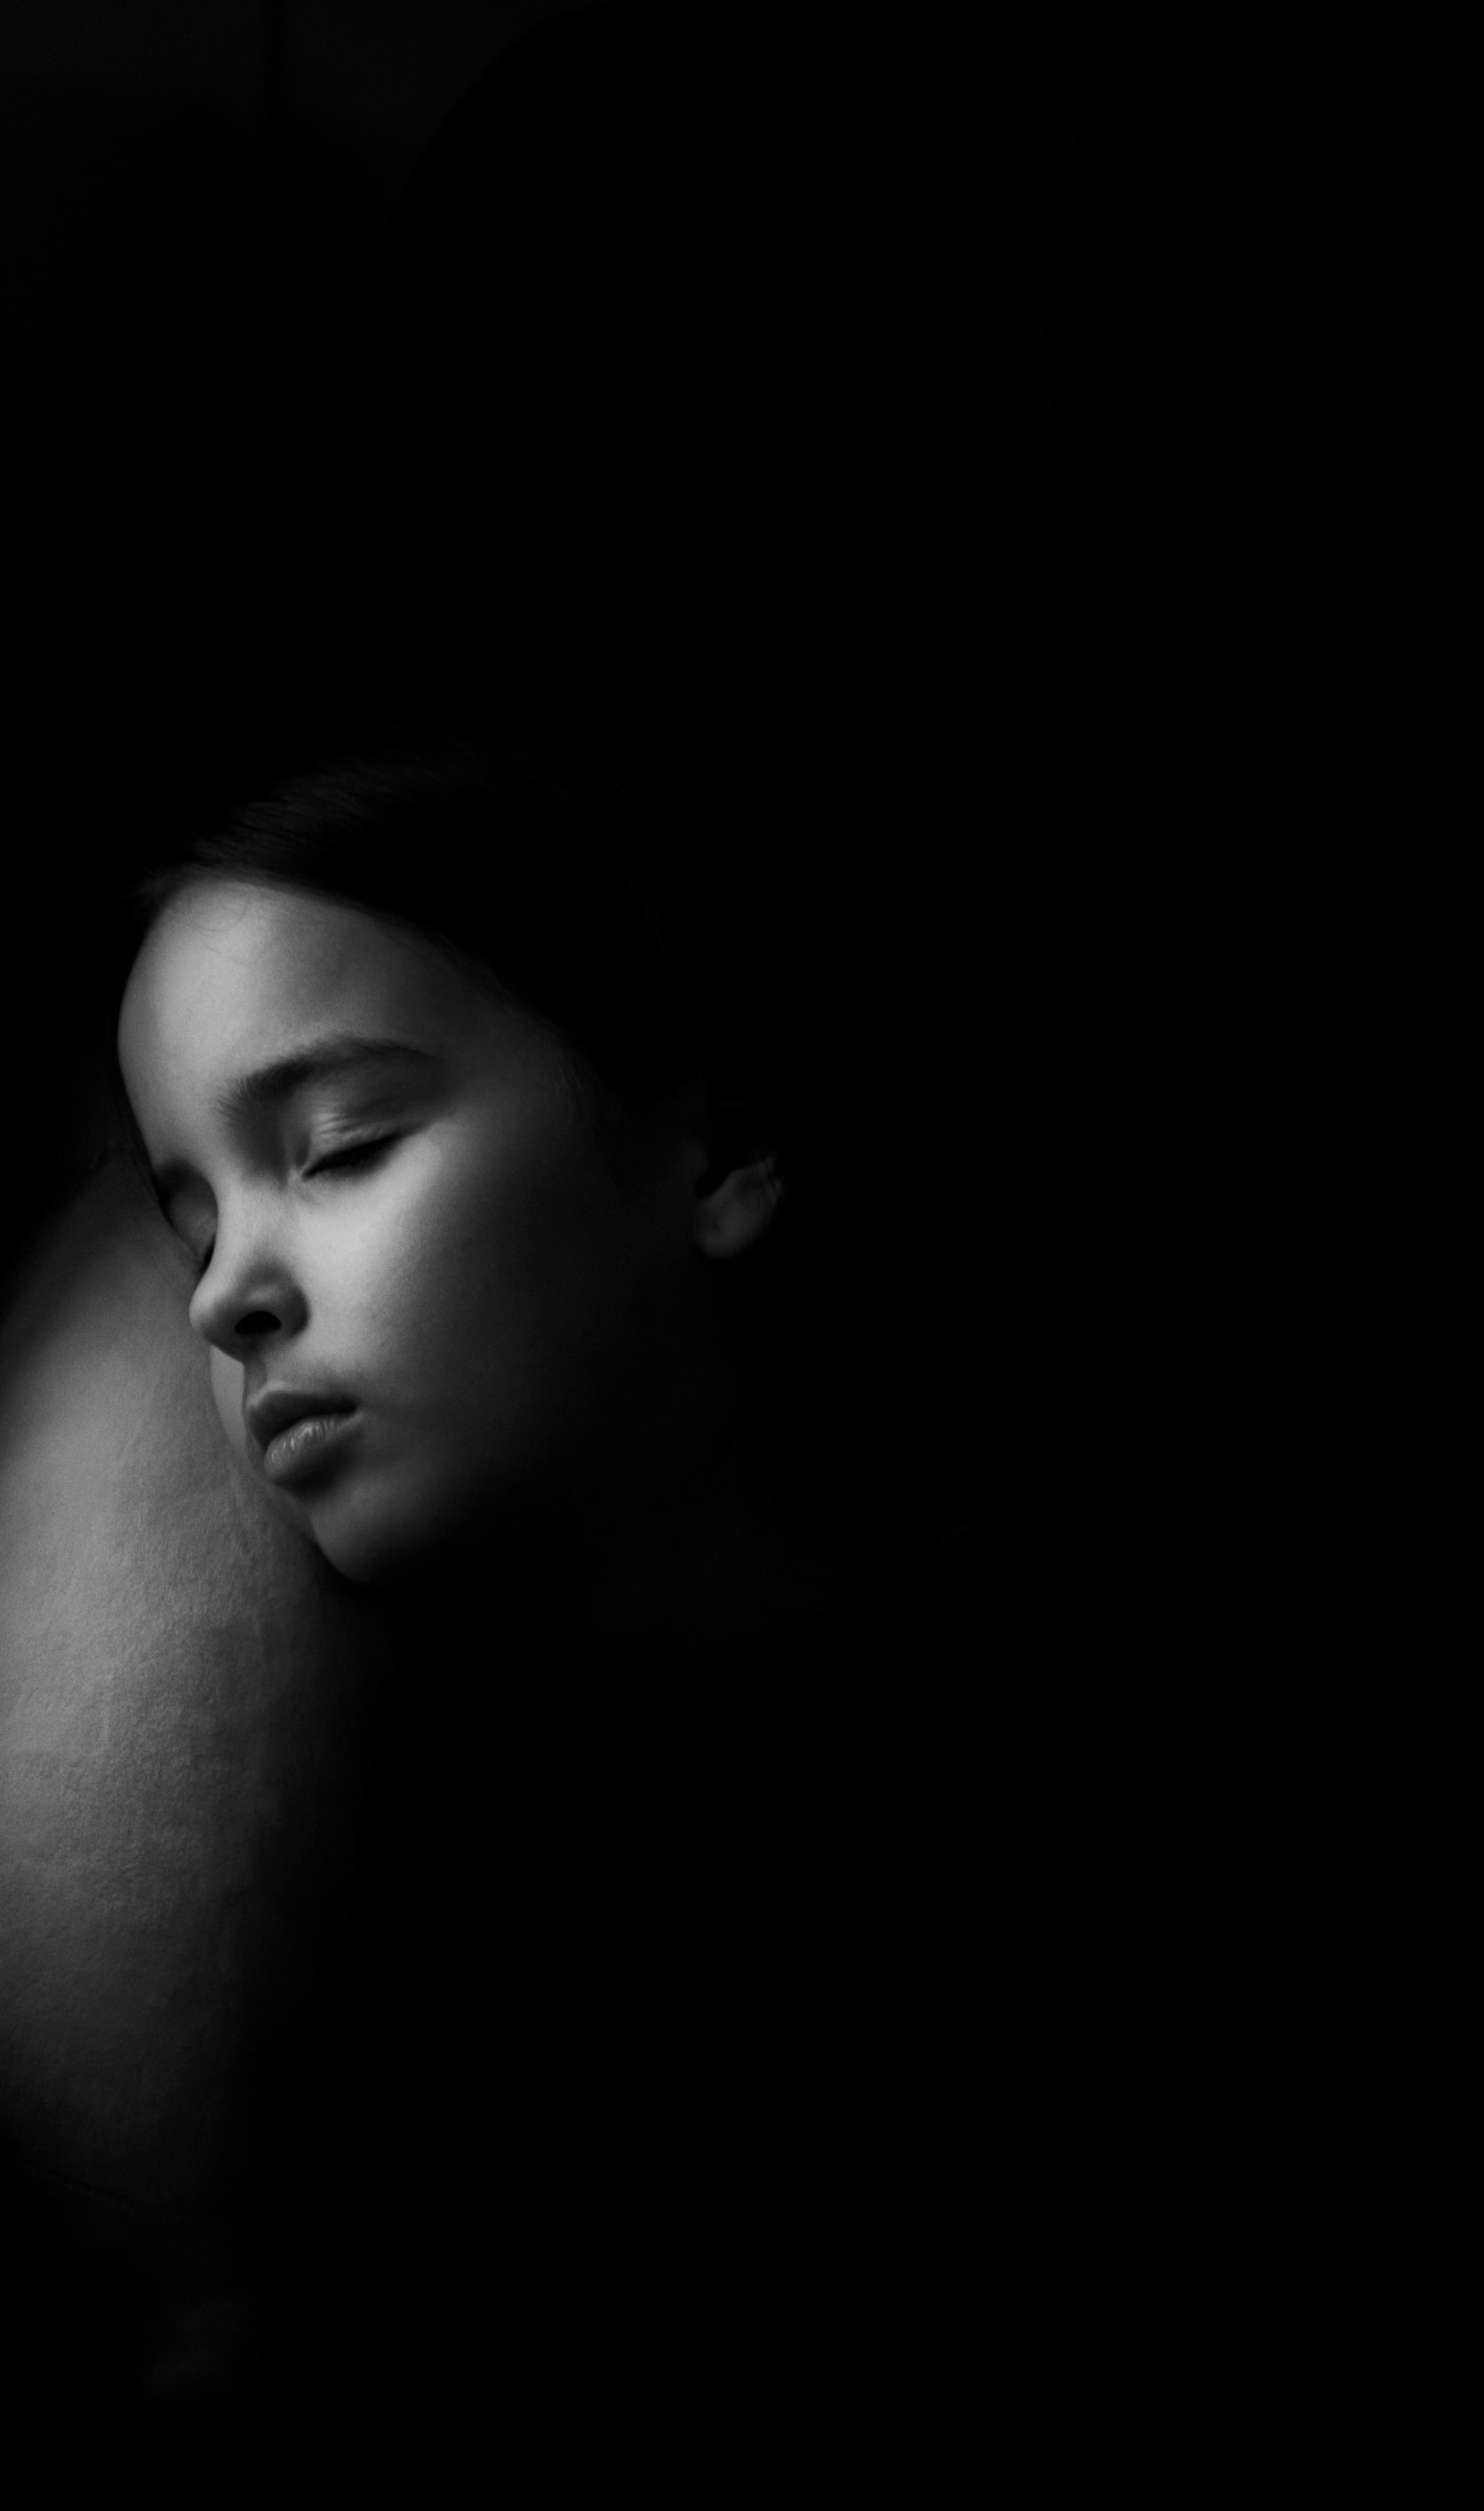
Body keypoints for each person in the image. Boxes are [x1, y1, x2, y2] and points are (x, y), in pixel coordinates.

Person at [114, 733, 1053, 2472]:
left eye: (335, 1146)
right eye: (189, 1224)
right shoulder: (377, 1809)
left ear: (714, 1151)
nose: (225, 1295)